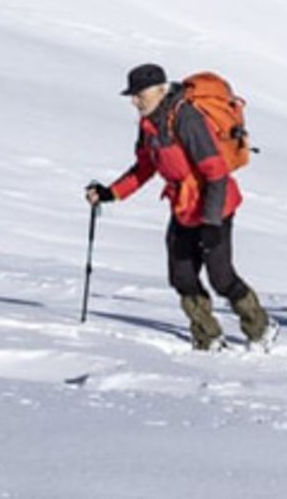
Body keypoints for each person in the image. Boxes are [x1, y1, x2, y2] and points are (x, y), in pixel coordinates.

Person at [85, 64, 273, 351]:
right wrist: (111, 193)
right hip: (183, 207)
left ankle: (259, 327)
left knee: (221, 277)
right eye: (132, 96)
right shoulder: (149, 125)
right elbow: (145, 166)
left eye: (140, 95)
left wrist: (211, 223)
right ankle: (207, 336)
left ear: (161, 90)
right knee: (182, 275)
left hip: (215, 206)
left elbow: (216, 173)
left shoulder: (185, 119)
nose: (135, 101)